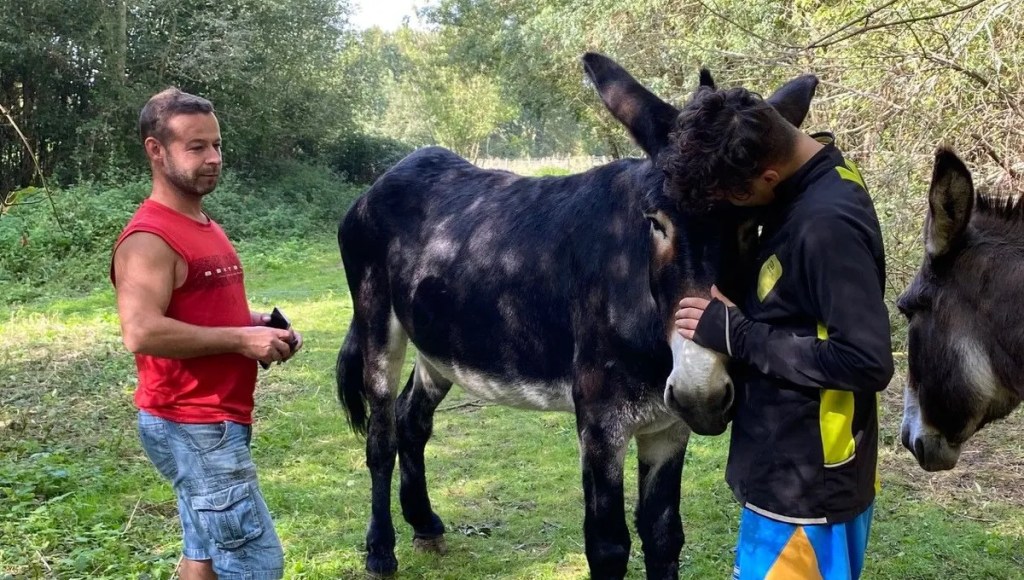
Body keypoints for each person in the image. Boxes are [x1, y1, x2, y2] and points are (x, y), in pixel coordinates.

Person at [666, 86, 894, 579]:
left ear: (767, 176)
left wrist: (738, 334)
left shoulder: (824, 224)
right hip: (803, 474)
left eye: (734, 199)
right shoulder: (816, 182)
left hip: (805, 489)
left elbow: (866, 360)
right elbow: (800, 300)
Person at [111, 88, 302, 580]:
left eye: (216, 145)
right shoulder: (150, 237)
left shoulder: (200, 221)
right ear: (157, 150)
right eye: (196, 147)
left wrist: (257, 325)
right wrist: (240, 341)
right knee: (256, 563)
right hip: (192, 421)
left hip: (210, 419)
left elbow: (199, 307)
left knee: (204, 558)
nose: (213, 158)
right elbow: (141, 331)